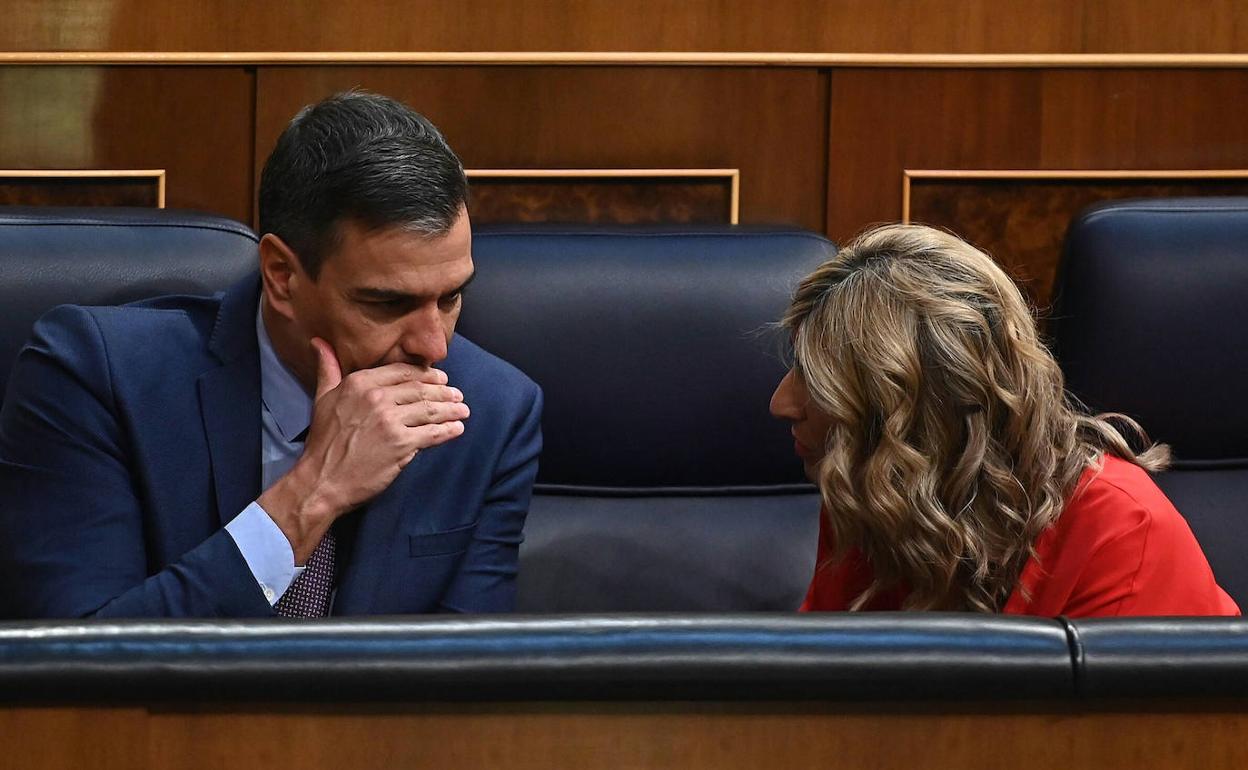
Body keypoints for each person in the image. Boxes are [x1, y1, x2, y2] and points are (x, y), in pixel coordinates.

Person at [0, 91, 542, 618]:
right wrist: (314, 492)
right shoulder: (96, 376)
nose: (434, 345)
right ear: (281, 275)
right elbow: (78, 675)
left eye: (450, 297)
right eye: (386, 302)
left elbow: (464, 688)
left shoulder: (491, 410)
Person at [770, 223, 1238, 617]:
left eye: (816, 378)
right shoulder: (872, 484)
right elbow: (825, 700)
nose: (780, 404)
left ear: (915, 410)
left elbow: (1126, 729)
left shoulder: (1122, 532)